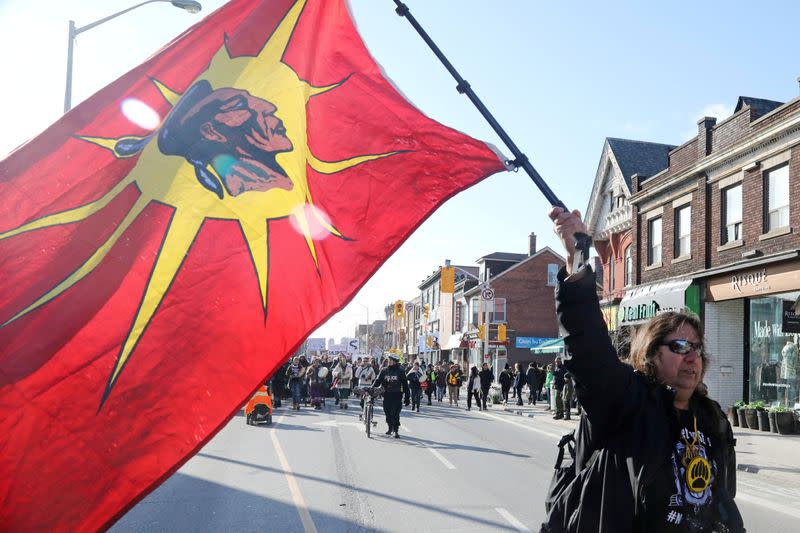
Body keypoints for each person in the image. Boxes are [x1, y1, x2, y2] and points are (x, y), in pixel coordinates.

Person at [542, 206, 743, 533]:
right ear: (651, 355)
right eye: (679, 347)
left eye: (697, 349)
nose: (692, 358)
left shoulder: (712, 418)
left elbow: (720, 496)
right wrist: (577, 261)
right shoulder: (626, 403)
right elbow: (588, 349)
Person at [373, 354, 410, 438]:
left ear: (395, 362)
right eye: (389, 360)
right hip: (386, 394)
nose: (389, 361)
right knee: (387, 412)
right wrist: (372, 389)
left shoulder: (401, 371)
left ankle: (396, 430)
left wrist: (407, 397)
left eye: (391, 360)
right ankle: (390, 428)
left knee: (395, 413)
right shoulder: (384, 370)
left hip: (397, 395)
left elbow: (405, 384)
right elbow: (378, 381)